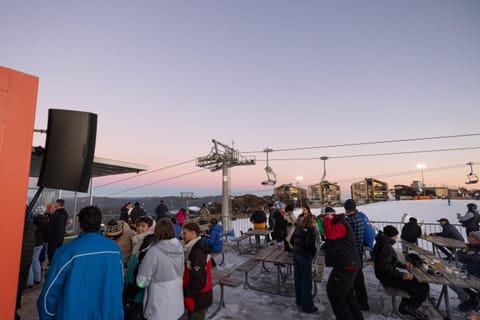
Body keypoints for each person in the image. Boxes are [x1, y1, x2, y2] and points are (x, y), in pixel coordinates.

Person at [37, 206, 124, 319]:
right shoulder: (114, 249)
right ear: (100, 223)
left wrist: (47, 316)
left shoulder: (66, 251)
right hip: (109, 313)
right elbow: (120, 284)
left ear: (80, 225)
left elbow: (50, 291)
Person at [373, 225, 429, 320]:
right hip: (387, 278)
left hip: (385, 275)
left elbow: (389, 262)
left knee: (415, 283)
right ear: (392, 236)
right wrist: (402, 275)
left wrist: (404, 265)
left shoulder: (382, 243)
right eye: (396, 236)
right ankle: (409, 307)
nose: (396, 238)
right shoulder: (386, 246)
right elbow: (384, 267)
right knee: (423, 286)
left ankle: (406, 305)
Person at [137, 218, 184, 320]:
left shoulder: (154, 251)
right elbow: (181, 270)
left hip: (158, 307)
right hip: (177, 303)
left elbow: (141, 282)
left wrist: (140, 267)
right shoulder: (179, 247)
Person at [323, 206, 364, 320]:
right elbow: (329, 235)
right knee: (347, 295)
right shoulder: (338, 223)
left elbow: (330, 234)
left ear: (331, 215)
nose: (324, 219)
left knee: (335, 294)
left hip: (347, 265)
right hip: (346, 263)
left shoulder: (340, 224)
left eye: (326, 216)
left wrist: (327, 220)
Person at [124, 215, 156, 319]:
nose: (139, 228)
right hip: (133, 286)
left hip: (137, 292)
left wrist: (131, 292)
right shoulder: (138, 240)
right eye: (138, 226)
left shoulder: (147, 243)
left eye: (143, 226)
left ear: (149, 228)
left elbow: (142, 270)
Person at [182, 221, 213, 320]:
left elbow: (199, 280)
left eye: (185, 233)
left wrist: (186, 291)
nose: (182, 236)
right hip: (200, 296)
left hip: (198, 298)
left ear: (193, 233)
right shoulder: (198, 246)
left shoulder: (197, 252)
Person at [344, 199, 369, 311]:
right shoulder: (359, 217)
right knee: (358, 278)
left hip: (352, 253)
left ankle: (357, 303)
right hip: (358, 252)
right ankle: (362, 302)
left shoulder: (349, 220)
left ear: (348, 209)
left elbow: (345, 236)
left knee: (353, 279)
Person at [290, 213, 318, 313]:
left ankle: (299, 301)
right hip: (305, 257)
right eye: (315, 222)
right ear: (312, 221)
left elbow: (292, 241)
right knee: (306, 283)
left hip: (296, 255)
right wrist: (313, 253)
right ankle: (308, 307)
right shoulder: (311, 230)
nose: (315, 224)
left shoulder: (298, 228)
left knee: (298, 279)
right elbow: (309, 245)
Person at [448, 230, 480, 312]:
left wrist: (473, 255)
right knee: (449, 280)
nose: (468, 238)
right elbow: (459, 256)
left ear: (478, 240)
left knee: (452, 282)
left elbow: (475, 260)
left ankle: (472, 299)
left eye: (472, 237)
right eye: (469, 236)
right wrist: (469, 254)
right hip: (468, 273)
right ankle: (469, 297)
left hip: (476, 276)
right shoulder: (469, 247)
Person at [27, 207, 47, 287]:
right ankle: (37, 278)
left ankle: (29, 282)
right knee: (36, 260)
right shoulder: (45, 221)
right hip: (41, 243)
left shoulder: (35, 222)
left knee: (30, 261)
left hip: (34, 243)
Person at [46, 199, 68, 263]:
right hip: (61, 237)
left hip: (53, 238)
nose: (55, 204)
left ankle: (52, 266)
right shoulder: (65, 214)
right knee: (58, 253)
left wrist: (46, 238)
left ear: (58, 204)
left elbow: (51, 227)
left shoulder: (55, 214)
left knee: (51, 254)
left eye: (56, 203)